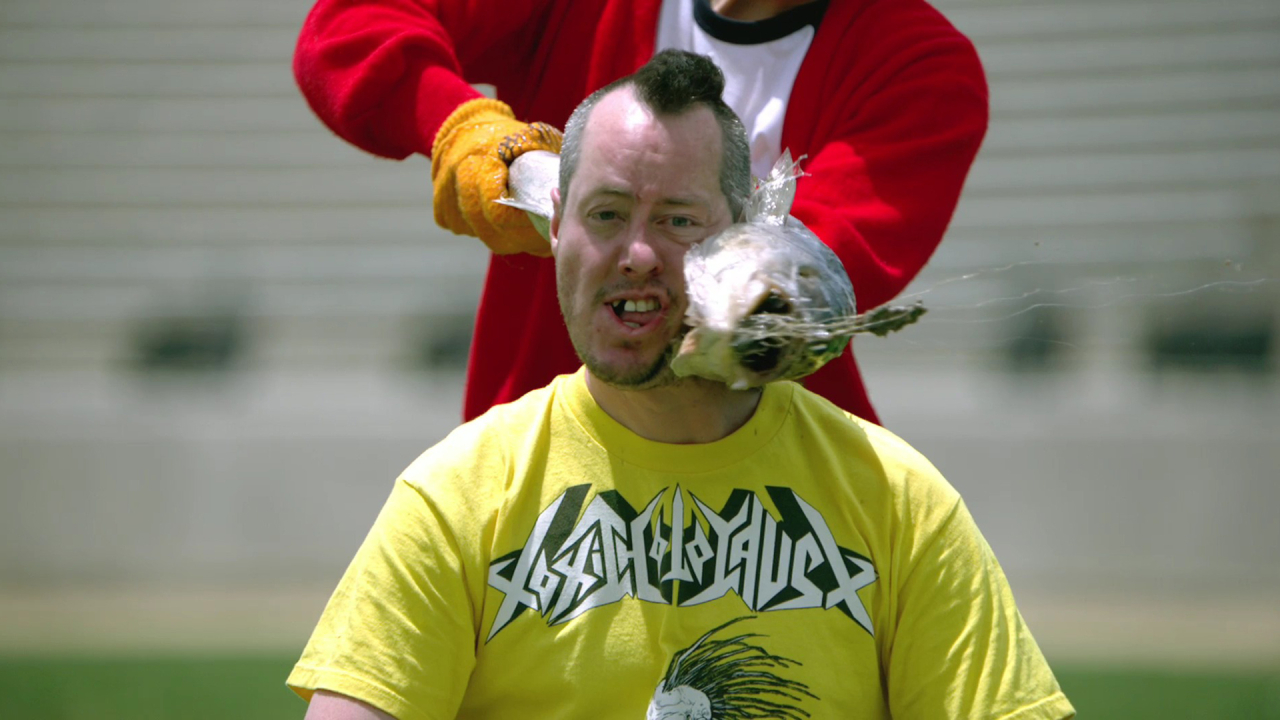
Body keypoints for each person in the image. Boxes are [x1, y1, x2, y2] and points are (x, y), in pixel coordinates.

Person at [287, 51, 1072, 720]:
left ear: (748, 238)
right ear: (555, 227)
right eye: (605, 215)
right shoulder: (457, 498)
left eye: (677, 220)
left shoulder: (898, 504)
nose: (635, 253)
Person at [292, 0, 988, 426]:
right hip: (544, 470)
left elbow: (804, 273)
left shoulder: (920, 64)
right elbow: (347, 28)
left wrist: (598, 208)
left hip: (776, 512)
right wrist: (464, 132)